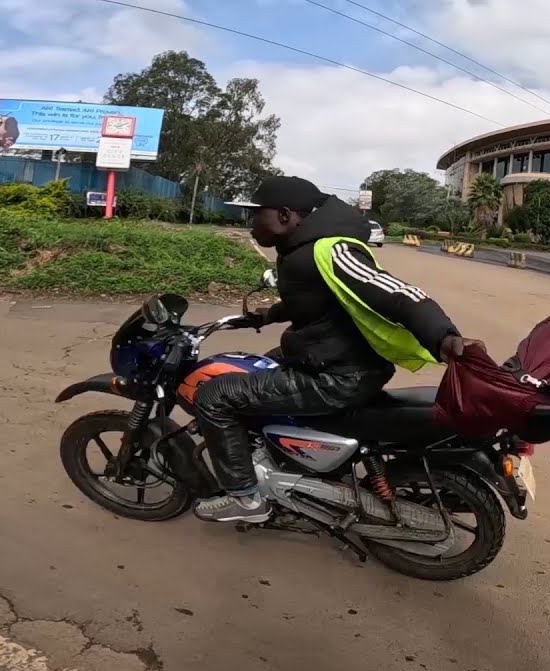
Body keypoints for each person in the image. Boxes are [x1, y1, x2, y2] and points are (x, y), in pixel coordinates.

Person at [194, 176, 473, 523]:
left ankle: (245, 499)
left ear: (284, 215)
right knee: (258, 365)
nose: (250, 224)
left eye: (256, 215)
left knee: (215, 395)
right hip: (328, 358)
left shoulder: (330, 249)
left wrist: (444, 336)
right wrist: (269, 315)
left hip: (337, 375)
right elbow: (313, 300)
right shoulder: (298, 250)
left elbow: (396, 293)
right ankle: (286, 460)